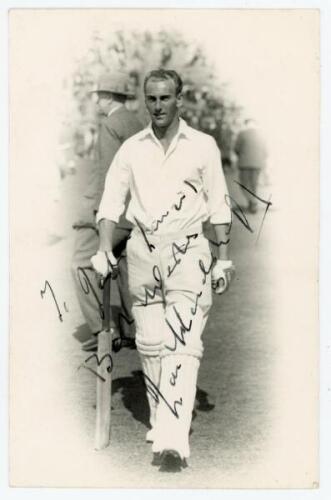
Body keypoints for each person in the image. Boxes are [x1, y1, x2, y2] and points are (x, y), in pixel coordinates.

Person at [91, 69, 234, 472]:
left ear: (179, 99)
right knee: (152, 345)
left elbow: (220, 204)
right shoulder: (132, 148)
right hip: (142, 254)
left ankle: (173, 440)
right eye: (151, 99)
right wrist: (104, 249)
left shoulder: (203, 146)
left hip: (189, 249)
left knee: (183, 346)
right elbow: (110, 202)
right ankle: (163, 422)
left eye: (165, 98)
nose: (158, 107)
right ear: (144, 100)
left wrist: (223, 258)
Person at [71, 71, 142, 351]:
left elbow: (108, 175)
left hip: (114, 212)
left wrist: (100, 215)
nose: (96, 101)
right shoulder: (135, 123)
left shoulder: (111, 125)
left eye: (99, 95)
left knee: (81, 264)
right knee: (124, 265)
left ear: (109, 97)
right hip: (135, 210)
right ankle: (136, 329)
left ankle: (104, 330)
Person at [234, 118, 268, 213]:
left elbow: (236, 149)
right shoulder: (262, 135)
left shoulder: (242, 134)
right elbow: (266, 152)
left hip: (245, 163)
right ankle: (252, 205)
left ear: (246, 124)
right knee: (253, 185)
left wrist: (242, 155)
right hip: (258, 164)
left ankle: (253, 202)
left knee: (244, 185)